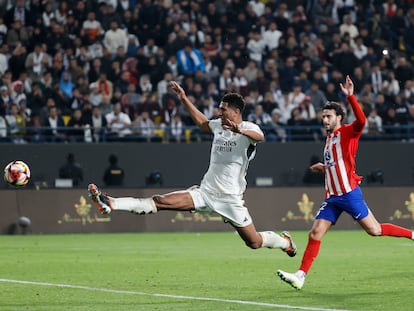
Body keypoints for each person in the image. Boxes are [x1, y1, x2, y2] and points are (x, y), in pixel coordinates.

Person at [88, 81, 297, 257]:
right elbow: (203, 123)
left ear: (236, 111)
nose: (219, 112)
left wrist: (239, 129)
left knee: (253, 242)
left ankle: (283, 242)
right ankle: (112, 203)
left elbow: (260, 138)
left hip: (230, 198)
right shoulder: (218, 126)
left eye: (223, 109)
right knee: (160, 201)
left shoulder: (250, 129)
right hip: (205, 193)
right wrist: (183, 98)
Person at [277, 75, 414, 290]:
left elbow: (362, 121)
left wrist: (351, 98)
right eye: (323, 116)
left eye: (329, 116)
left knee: (375, 230)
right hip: (332, 198)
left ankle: (413, 234)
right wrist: (324, 167)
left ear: (339, 117)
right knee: (315, 233)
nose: (325, 120)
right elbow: (337, 163)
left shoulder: (348, 132)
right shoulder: (329, 139)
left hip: (349, 194)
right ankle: (300, 275)